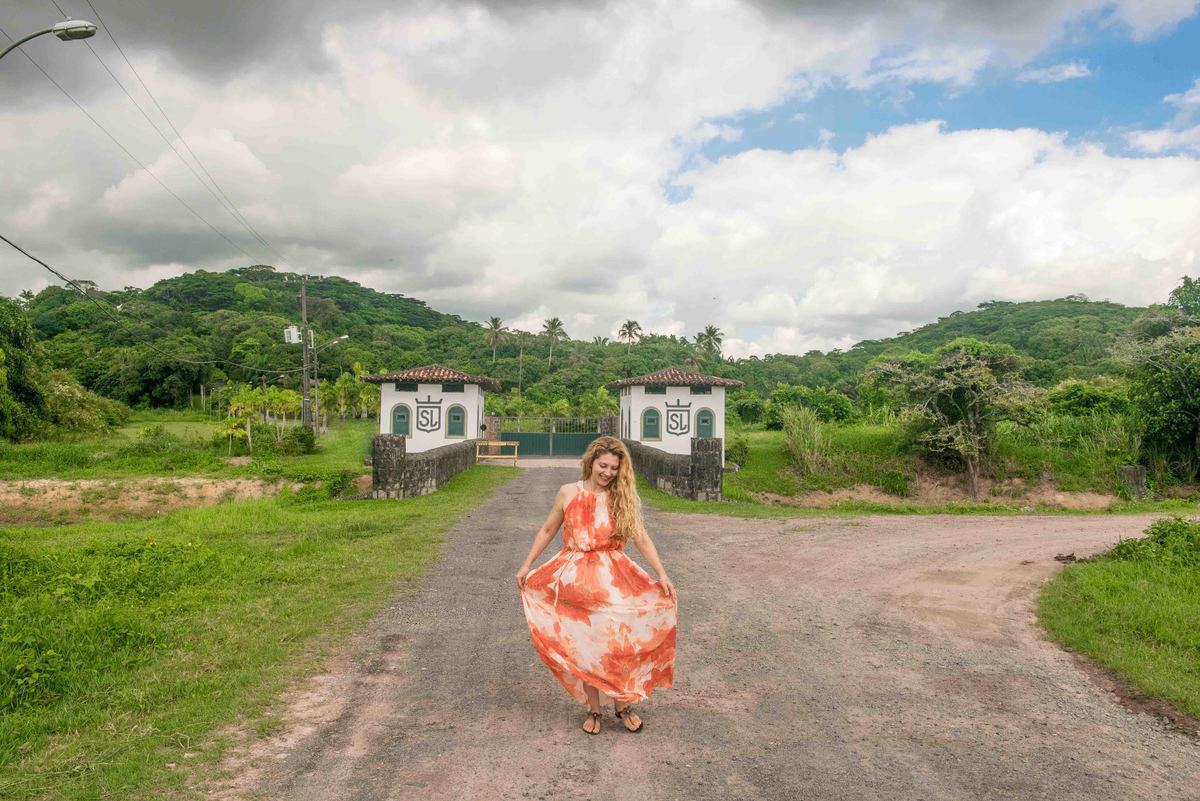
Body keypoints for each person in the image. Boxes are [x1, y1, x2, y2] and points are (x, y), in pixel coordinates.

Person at [515, 436, 677, 735]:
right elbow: (548, 529)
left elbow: (641, 537)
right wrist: (527, 565)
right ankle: (593, 710)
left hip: (614, 579)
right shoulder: (568, 492)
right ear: (591, 462)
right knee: (586, 646)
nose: (608, 473)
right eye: (603, 465)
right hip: (576, 579)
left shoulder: (620, 496)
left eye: (614, 468)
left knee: (617, 643)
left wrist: (662, 573)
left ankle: (622, 705)